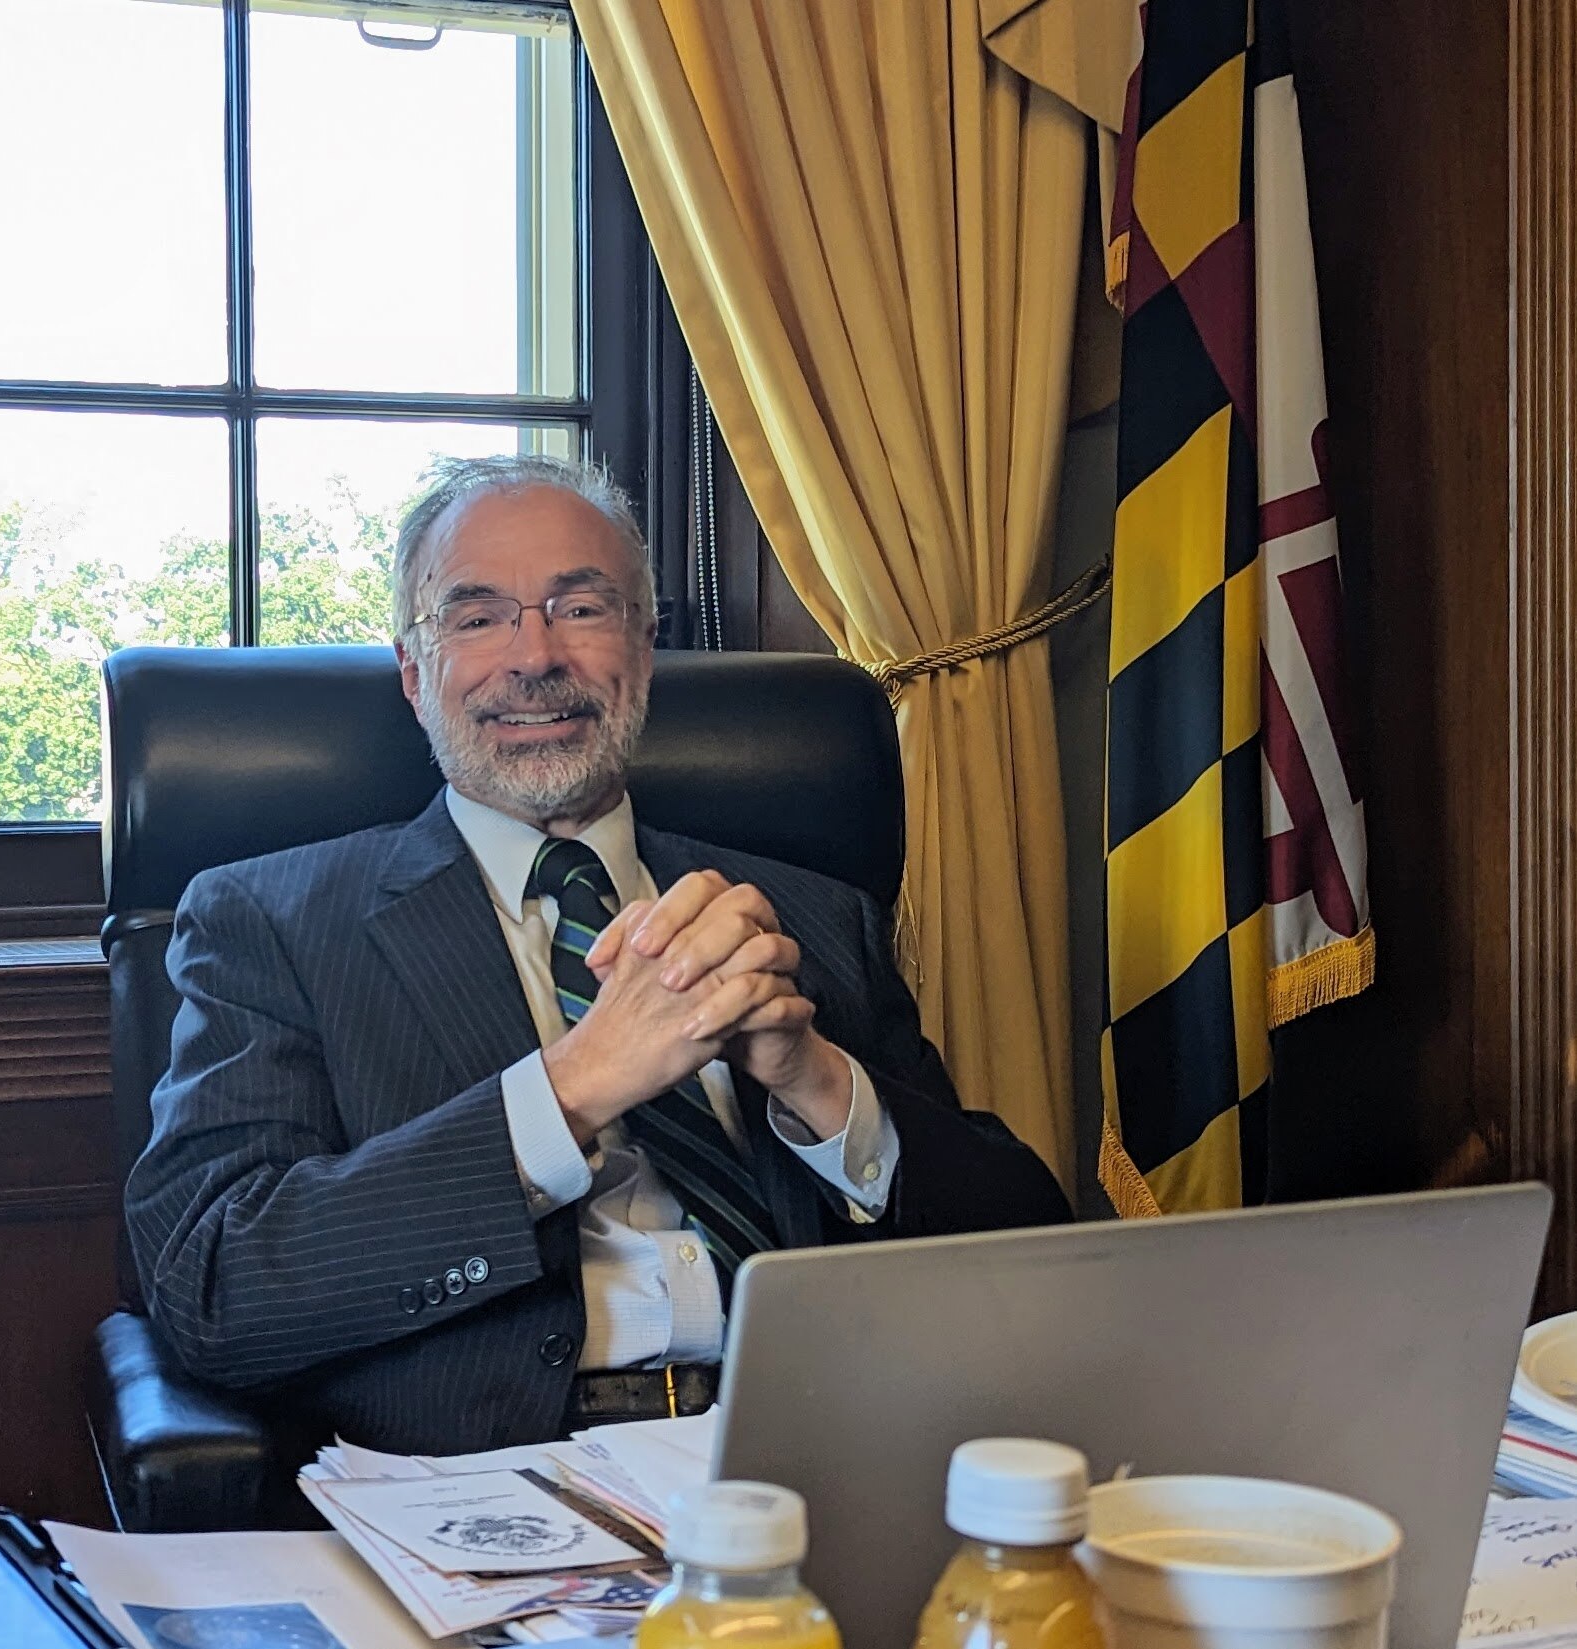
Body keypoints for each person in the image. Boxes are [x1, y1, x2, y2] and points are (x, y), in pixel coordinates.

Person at [125, 454, 1070, 1455]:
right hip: (492, 1484)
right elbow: (213, 1286)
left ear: (644, 649)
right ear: (414, 672)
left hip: (818, 1450)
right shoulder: (268, 919)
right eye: (478, 616)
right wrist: (569, 1088)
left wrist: (822, 1085)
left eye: (581, 607)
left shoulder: (810, 913)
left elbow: (1030, 1253)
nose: (535, 656)